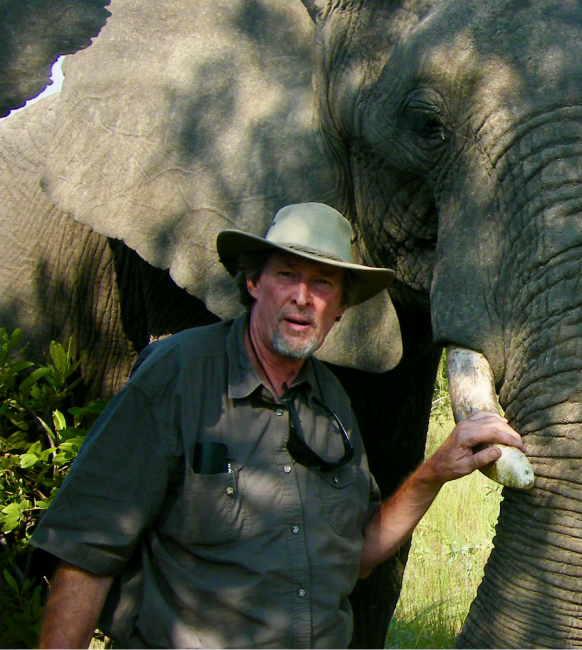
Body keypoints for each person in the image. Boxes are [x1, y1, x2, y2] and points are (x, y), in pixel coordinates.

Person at [31, 202, 524, 650]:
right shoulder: (177, 374)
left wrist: (435, 470)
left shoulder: (331, 403)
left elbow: (358, 555)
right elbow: (86, 550)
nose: (303, 298)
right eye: (287, 274)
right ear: (253, 282)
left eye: (324, 283)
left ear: (342, 308)